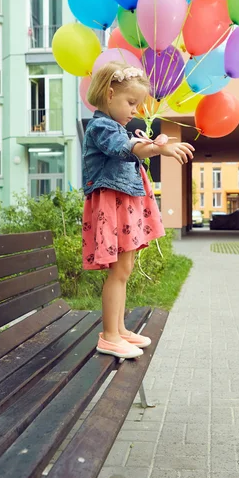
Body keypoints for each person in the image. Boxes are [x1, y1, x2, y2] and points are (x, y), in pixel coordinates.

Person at [82, 61, 195, 359]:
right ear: (109, 94)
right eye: (131, 102)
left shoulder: (119, 128)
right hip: (111, 203)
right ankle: (109, 336)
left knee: (125, 269)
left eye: (138, 104)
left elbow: (134, 145)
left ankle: (118, 329)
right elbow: (124, 148)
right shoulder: (102, 127)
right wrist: (157, 148)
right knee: (118, 272)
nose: (135, 110)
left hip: (123, 202)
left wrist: (153, 145)